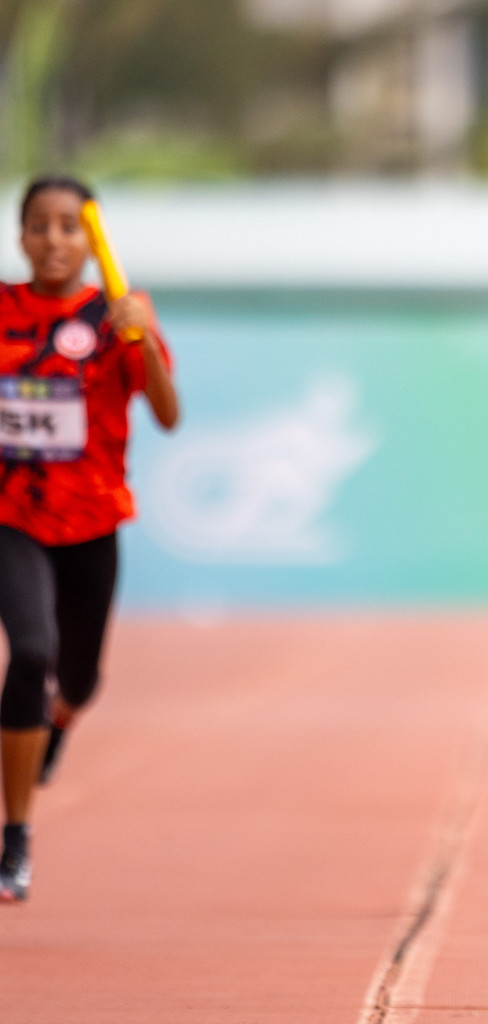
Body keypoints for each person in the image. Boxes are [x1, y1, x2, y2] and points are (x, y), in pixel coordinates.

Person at [0, 175, 179, 902]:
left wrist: (144, 338)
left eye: (69, 227)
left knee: (78, 681)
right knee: (31, 651)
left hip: (93, 520)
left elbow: (167, 414)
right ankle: (16, 837)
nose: (53, 239)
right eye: (38, 225)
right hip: (11, 516)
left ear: (89, 240)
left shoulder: (116, 316)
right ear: (20, 236)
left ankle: (59, 719)